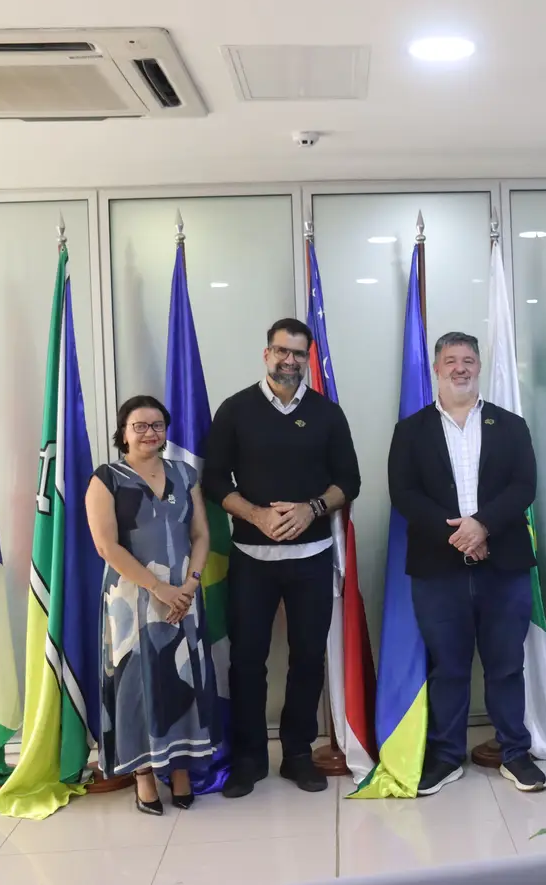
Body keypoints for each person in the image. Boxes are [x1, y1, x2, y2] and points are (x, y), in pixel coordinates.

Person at [203, 318, 362, 798]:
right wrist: (255, 514)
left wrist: (311, 508)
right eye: (281, 351)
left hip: (311, 557)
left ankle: (297, 754)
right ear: (266, 354)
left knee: (308, 657)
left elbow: (349, 481)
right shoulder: (235, 410)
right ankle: (250, 758)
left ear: (306, 358)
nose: (289, 360)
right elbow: (214, 481)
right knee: (247, 661)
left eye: (298, 353)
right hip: (251, 559)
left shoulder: (327, 414)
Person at [388, 331, 546, 796]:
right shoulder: (410, 430)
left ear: (479, 367)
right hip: (438, 570)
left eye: (469, 360)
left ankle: (515, 753)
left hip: (503, 565)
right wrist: (459, 536)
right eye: (451, 360)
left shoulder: (510, 425)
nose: (460, 368)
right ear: (436, 368)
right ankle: (446, 756)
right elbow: (404, 494)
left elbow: (524, 486)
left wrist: (483, 527)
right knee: (448, 666)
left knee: (505, 665)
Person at [87, 395, 220, 815]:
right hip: (131, 600)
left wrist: (190, 584)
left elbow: (201, 535)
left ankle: (180, 770)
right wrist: (158, 588)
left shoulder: (184, 473)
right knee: (136, 685)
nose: (150, 433)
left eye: (157, 425)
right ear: (123, 433)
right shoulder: (106, 478)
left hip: (184, 594)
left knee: (182, 678)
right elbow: (106, 546)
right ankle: (143, 775)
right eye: (140, 426)